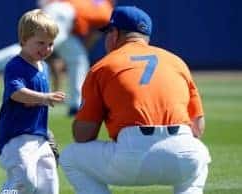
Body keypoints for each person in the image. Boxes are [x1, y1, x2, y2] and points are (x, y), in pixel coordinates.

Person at [59, 6, 211, 194]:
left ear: (114, 34)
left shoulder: (103, 66)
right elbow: (198, 128)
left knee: (70, 156)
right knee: (201, 154)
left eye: (108, 32)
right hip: (183, 154)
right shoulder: (177, 62)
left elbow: (83, 135)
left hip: (131, 156)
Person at [0, 0, 114, 116]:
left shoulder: (94, 3)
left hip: (59, 11)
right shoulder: (107, 10)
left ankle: (75, 105)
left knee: (77, 58)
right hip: (63, 15)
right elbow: (92, 38)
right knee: (33, 49)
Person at [0, 9, 66, 194]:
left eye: (50, 43)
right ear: (23, 40)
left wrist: (45, 132)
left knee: (49, 185)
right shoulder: (16, 65)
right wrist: (45, 98)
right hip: (16, 138)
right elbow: (16, 93)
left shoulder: (43, 67)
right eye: (40, 43)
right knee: (25, 182)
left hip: (39, 137)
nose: (46, 48)